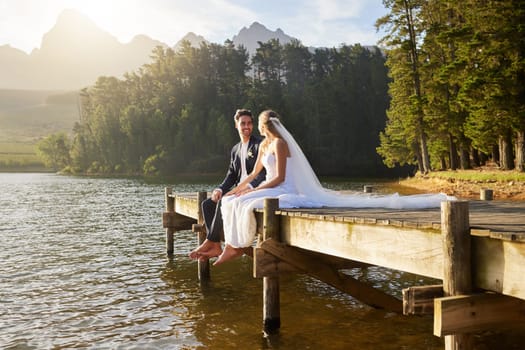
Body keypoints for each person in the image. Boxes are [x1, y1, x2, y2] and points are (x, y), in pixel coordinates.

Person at [213, 109, 455, 266]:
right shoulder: (265, 146)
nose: (257, 129)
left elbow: (279, 178)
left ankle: (236, 246)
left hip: (280, 187)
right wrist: (236, 189)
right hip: (267, 185)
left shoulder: (279, 144)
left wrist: (253, 191)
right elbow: (255, 173)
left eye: (260, 126)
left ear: (266, 126)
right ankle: (232, 244)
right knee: (232, 200)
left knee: (247, 202)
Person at [189, 109, 265, 260]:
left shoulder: (259, 144)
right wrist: (220, 189)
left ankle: (210, 240)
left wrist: (249, 188)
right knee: (207, 204)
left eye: (249, 123)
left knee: (224, 201)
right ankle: (216, 244)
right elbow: (231, 175)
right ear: (236, 125)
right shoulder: (235, 149)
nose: (246, 126)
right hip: (238, 188)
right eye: (243, 123)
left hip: (254, 188)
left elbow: (263, 173)